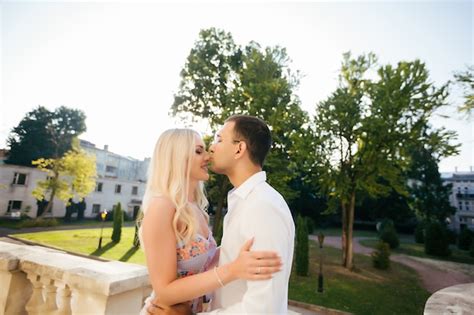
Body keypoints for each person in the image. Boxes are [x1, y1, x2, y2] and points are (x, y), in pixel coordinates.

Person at [139, 128, 282, 315]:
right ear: (177, 157)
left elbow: (206, 263)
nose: (208, 156)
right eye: (198, 151)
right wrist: (232, 270)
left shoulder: (196, 208)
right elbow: (165, 292)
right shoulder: (162, 207)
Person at [204, 115, 296, 314]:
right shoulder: (245, 201)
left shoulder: (263, 207)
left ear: (239, 149)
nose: (211, 147)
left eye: (219, 139)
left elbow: (262, 307)